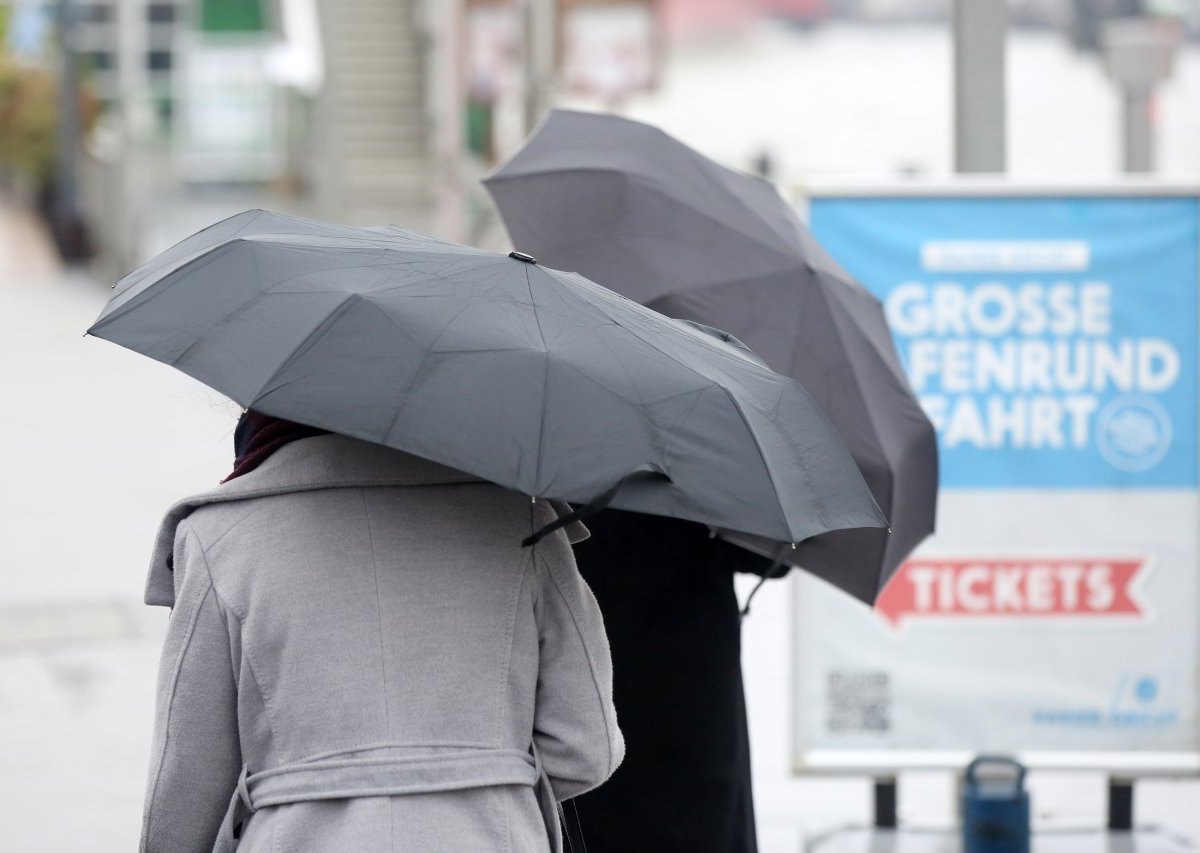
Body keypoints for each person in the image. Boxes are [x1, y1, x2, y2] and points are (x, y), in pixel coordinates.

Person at [139, 411, 623, 853]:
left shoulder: (219, 535)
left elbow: (185, 790)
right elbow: (585, 748)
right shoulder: (525, 520)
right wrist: (482, 784)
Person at [568, 509, 771, 853]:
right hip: (690, 681)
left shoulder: (557, 464)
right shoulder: (709, 460)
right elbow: (764, 556)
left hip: (586, 658)